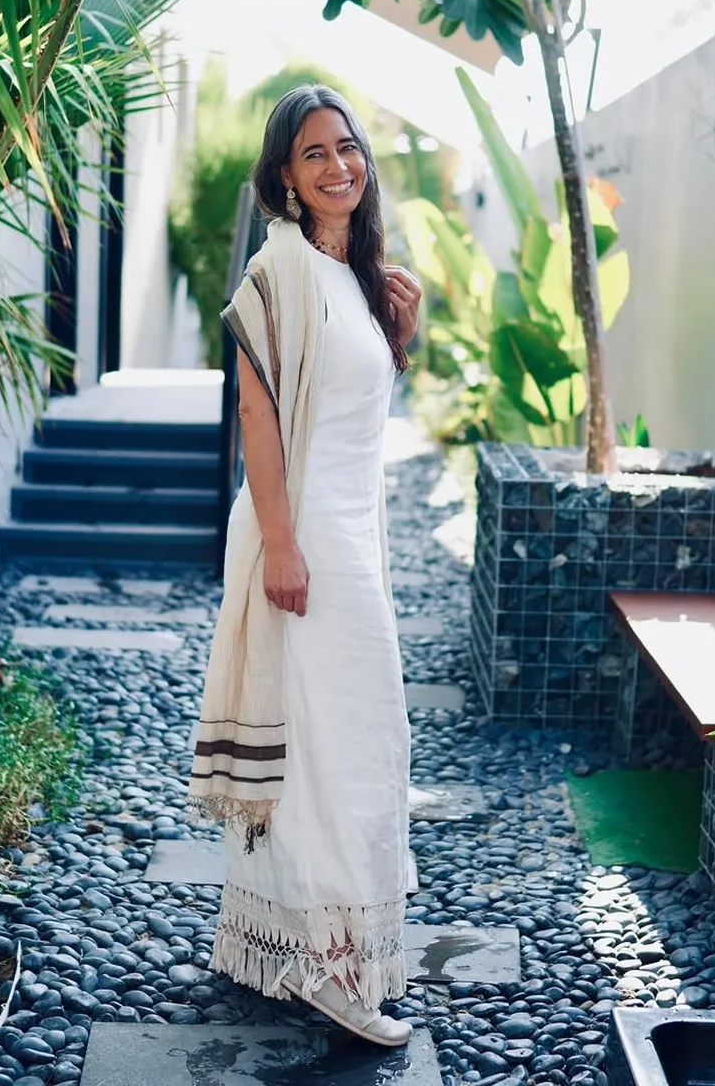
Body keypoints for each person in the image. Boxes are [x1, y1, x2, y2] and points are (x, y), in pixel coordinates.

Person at [189, 84, 422, 1047]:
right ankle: (332, 970)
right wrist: (281, 544)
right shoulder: (277, 270)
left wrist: (399, 329)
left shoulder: (358, 277)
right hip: (307, 543)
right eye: (316, 154)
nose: (339, 167)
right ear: (284, 174)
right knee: (343, 752)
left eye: (349, 148)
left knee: (339, 742)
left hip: (351, 537)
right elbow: (257, 416)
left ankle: (281, 944)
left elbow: (360, 419)